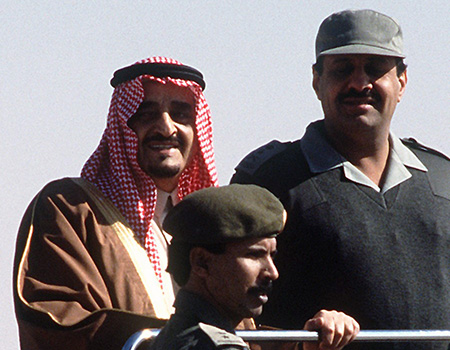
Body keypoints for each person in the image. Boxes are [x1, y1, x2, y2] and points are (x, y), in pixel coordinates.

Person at [231, 9, 449, 350]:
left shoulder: (443, 181)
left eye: (375, 69)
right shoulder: (268, 183)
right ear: (317, 81)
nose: (359, 84)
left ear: (402, 81)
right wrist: (302, 342)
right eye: (343, 69)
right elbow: (230, 316)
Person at [13, 56, 218, 350]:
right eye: (147, 114)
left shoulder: (205, 229)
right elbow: (59, 322)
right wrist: (185, 339)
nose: (166, 127)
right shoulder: (68, 209)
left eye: (181, 114)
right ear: (123, 126)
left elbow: (240, 328)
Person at [148, 184, 359, 350]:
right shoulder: (209, 344)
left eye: (272, 256)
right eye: (254, 255)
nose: (272, 273)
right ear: (202, 262)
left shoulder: (183, 335)